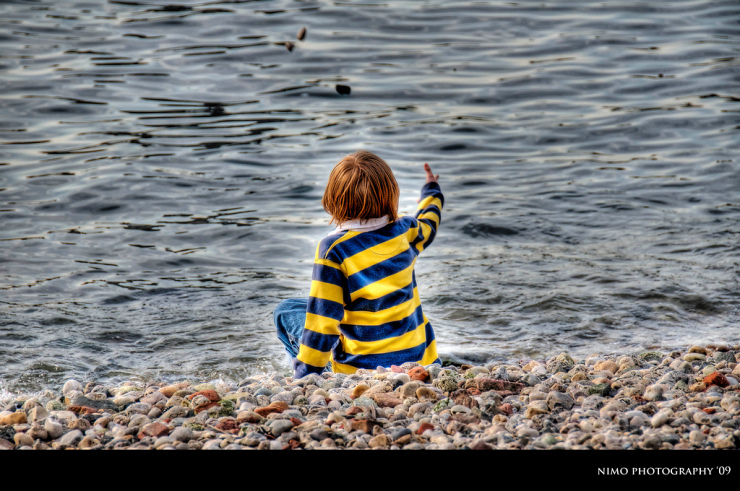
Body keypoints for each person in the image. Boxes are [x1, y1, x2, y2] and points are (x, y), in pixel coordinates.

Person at [273, 150, 443, 379]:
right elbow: (429, 223)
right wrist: (431, 192)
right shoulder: (405, 230)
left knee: (286, 310)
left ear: (333, 199)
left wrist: (304, 380)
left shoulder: (334, 250)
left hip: (359, 371)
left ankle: (306, 371)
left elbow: (322, 325)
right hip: (421, 361)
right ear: (390, 195)